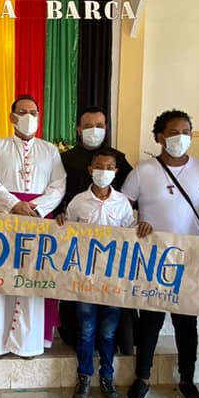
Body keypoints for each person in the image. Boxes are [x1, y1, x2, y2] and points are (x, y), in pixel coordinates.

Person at [121, 109, 199, 398]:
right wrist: (136, 225)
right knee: (150, 322)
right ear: (160, 137)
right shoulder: (142, 172)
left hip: (190, 259)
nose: (181, 138)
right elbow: (122, 210)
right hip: (153, 258)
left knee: (186, 323)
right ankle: (142, 377)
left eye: (186, 132)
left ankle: (187, 379)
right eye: (174, 132)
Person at [0, 95, 66, 357]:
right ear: (12, 116)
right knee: (2, 275)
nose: (29, 117)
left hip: (38, 221)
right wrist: (14, 204)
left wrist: (36, 208)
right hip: (4, 219)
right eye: (23, 112)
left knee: (34, 279)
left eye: (33, 112)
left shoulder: (50, 150)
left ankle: (29, 342)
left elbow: (58, 184)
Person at [57, 148, 137, 398]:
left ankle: (107, 377)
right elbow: (66, 233)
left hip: (112, 278)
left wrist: (142, 229)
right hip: (86, 278)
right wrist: (61, 221)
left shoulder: (122, 203)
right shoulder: (78, 201)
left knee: (108, 331)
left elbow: (130, 234)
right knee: (86, 329)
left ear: (116, 171)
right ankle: (83, 377)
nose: (104, 171)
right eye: (99, 167)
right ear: (90, 170)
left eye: (110, 167)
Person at [56, 106, 135, 355]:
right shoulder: (65, 159)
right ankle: (75, 339)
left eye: (99, 126)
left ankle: (113, 344)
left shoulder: (118, 158)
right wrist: (60, 216)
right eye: (88, 126)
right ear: (79, 130)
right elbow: (56, 190)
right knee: (80, 303)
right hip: (78, 237)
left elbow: (129, 198)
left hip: (112, 245)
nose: (94, 130)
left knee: (112, 306)